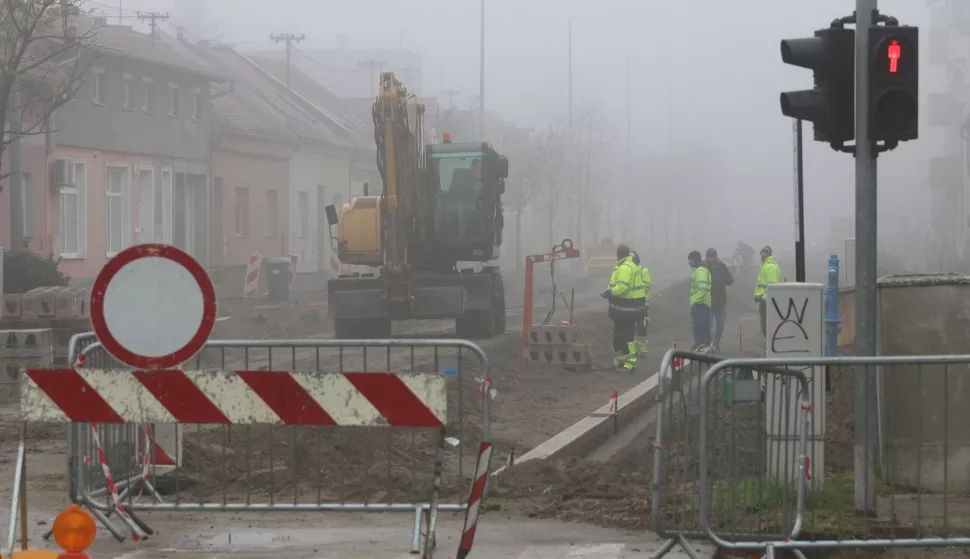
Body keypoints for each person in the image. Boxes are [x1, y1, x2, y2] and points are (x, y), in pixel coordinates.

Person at [601, 244, 645, 371]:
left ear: (618, 254)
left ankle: (629, 364)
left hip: (625, 309)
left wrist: (609, 293)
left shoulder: (625, 267)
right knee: (626, 336)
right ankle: (623, 361)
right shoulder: (632, 265)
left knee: (625, 337)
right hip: (631, 309)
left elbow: (622, 287)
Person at [705, 248, 734, 352]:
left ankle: (716, 342)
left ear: (716, 257)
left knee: (720, 324)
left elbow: (730, 280)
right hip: (708, 300)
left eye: (712, 257)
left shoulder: (722, 266)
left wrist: (721, 278)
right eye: (709, 257)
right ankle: (711, 344)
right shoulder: (704, 267)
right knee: (710, 325)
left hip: (720, 301)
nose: (711, 260)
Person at [754, 245, 783, 336]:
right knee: (765, 324)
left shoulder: (771, 267)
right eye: (761, 253)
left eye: (765, 252)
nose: (762, 255)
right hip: (764, 300)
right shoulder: (765, 266)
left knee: (768, 325)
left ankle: (770, 345)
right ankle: (769, 344)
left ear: (769, 254)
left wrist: (764, 298)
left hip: (767, 301)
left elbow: (772, 286)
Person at [688, 250, 712, 351]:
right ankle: (701, 344)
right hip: (700, 304)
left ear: (696, 260)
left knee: (700, 327)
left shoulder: (700, 271)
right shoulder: (698, 271)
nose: (689, 262)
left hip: (701, 304)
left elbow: (702, 289)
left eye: (691, 260)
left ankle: (702, 346)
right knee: (699, 327)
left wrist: (695, 301)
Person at [630, 250, 651, 358]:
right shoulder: (628, 271)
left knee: (642, 328)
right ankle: (633, 350)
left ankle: (642, 350)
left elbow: (647, 286)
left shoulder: (643, 271)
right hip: (630, 305)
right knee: (631, 328)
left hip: (642, 305)